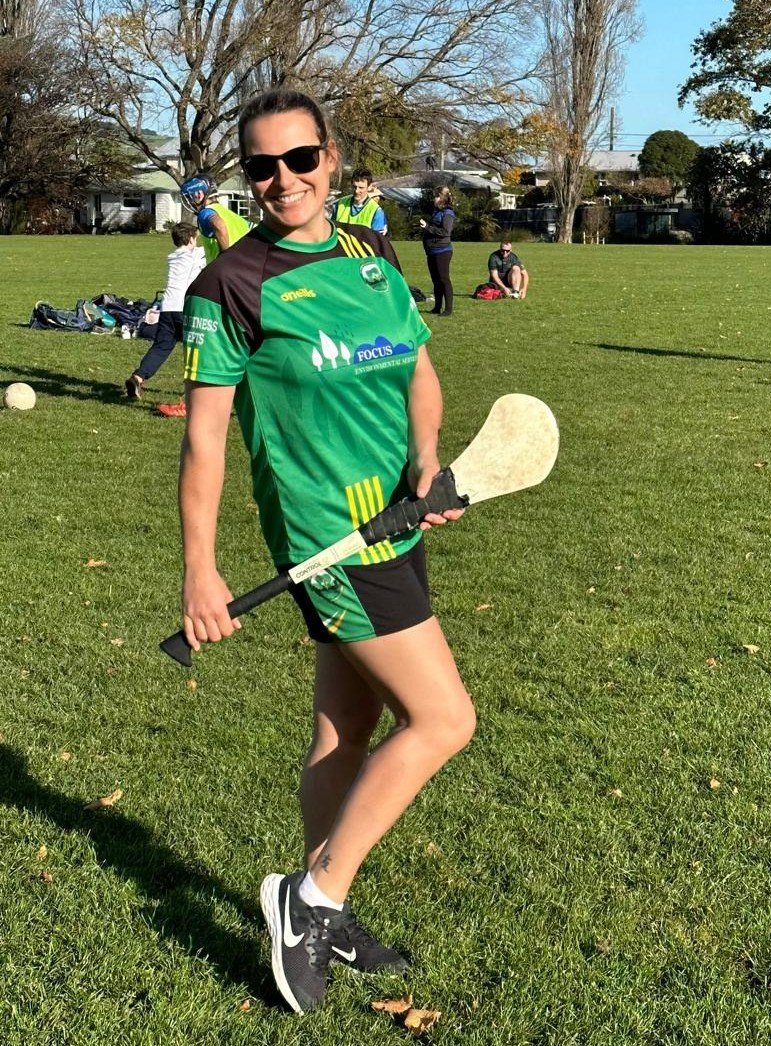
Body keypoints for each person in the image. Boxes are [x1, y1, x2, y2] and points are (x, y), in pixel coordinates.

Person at [178, 89, 475, 1015]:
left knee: (344, 729)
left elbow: (417, 371)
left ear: (331, 158)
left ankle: (322, 909)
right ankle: (311, 897)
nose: (282, 181)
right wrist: (199, 566)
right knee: (442, 720)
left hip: (395, 519)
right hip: (329, 540)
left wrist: (427, 465)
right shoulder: (231, 284)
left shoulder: (372, 253)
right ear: (246, 176)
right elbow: (206, 441)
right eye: (261, 166)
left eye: (298, 159)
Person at [124, 223, 205, 401]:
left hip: (167, 307)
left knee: (162, 346)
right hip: (186, 307)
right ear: (191, 239)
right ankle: (192, 390)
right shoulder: (195, 255)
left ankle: (137, 377)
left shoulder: (173, 257)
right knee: (197, 348)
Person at [179, 173, 252, 263]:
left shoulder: (205, 213)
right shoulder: (231, 215)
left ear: (199, 194)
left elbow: (219, 225)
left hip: (230, 270)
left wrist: (224, 258)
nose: (190, 202)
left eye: (190, 198)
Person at [420, 187, 455, 316]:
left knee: (444, 279)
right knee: (435, 280)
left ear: (442, 198)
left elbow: (446, 232)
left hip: (443, 250)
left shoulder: (448, 213)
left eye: (435, 196)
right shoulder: (436, 211)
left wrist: (427, 228)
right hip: (432, 251)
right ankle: (437, 307)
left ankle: (448, 309)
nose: (433, 199)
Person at [331, 167, 388, 233]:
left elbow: (377, 241)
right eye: (354, 187)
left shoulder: (376, 212)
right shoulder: (339, 204)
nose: (357, 191)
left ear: (369, 187)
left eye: (361, 188)